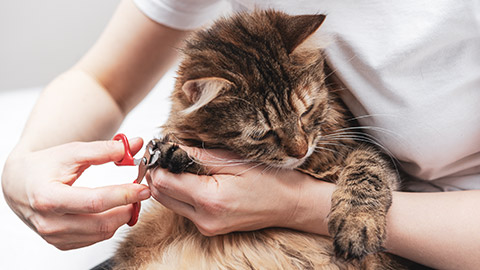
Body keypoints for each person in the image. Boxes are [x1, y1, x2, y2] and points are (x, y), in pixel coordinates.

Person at [2, 0, 479, 269]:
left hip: (429, 239)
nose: (299, 147)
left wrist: (293, 201)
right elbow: (102, 82)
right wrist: (22, 170)